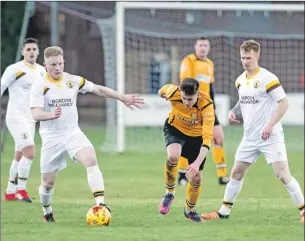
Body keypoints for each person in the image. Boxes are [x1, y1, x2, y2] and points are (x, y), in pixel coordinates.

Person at [30, 46, 144, 222]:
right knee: (47, 184)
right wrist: (50, 115)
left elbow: (98, 89)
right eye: (53, 65)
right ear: (45, 65)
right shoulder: (40, 86)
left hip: (72, 133)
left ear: (63, 62)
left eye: (60, 63)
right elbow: (35, 113)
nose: (57, 68)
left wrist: (122, 97)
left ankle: (100, 204)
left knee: (91, 160)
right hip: (51, 138)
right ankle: (47, 211)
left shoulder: (73, 81)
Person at [201, 40, 305, 223]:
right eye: (242, 57)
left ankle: (303, 211)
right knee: (236, 173)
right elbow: (244, 101)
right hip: (249, 137)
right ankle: (224, 212)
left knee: (282, 175)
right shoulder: (240, 80)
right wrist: (234, 112)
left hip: (270, 135)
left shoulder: (268, 78)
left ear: (257, 56)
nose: (245, 61)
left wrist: (270, 125)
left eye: (249, 57)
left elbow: (284, 103)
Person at [158, 78, 215, 223]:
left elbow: (207, 138)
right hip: (175, 129)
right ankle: (169, 193)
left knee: (197, 178)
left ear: (197, 94)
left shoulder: (207, 105)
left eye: (190, 99)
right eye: (183, 98)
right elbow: (162, 89)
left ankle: (189, 211)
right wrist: (161, 94)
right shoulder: (173, 92)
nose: (186, 102)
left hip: (196, 138)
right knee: (173, 156)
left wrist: (196, 163)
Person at [177, 36, 229, 186]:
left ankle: (222, 175)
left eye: (206, 45)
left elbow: (210, 87)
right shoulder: (188, 61)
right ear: (195, 46)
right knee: (187, 140)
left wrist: (213, 105)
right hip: (193, 107)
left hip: (207, 108)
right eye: (200, 45)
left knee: (218, 137)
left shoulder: (210, 64)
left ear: (209, 47)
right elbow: (185, 84)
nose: (203, 48)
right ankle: (182, 175)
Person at [1, 38, 46, 202]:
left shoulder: (41, 71)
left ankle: (10, 192)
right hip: (15, 117)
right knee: (30, 152)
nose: (31, 52)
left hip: (30, 119)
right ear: (23, 52)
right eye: (28, 49)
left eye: (34, 49)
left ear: (38, 51)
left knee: (20, 155)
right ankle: (22, 190)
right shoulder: (14, 69)